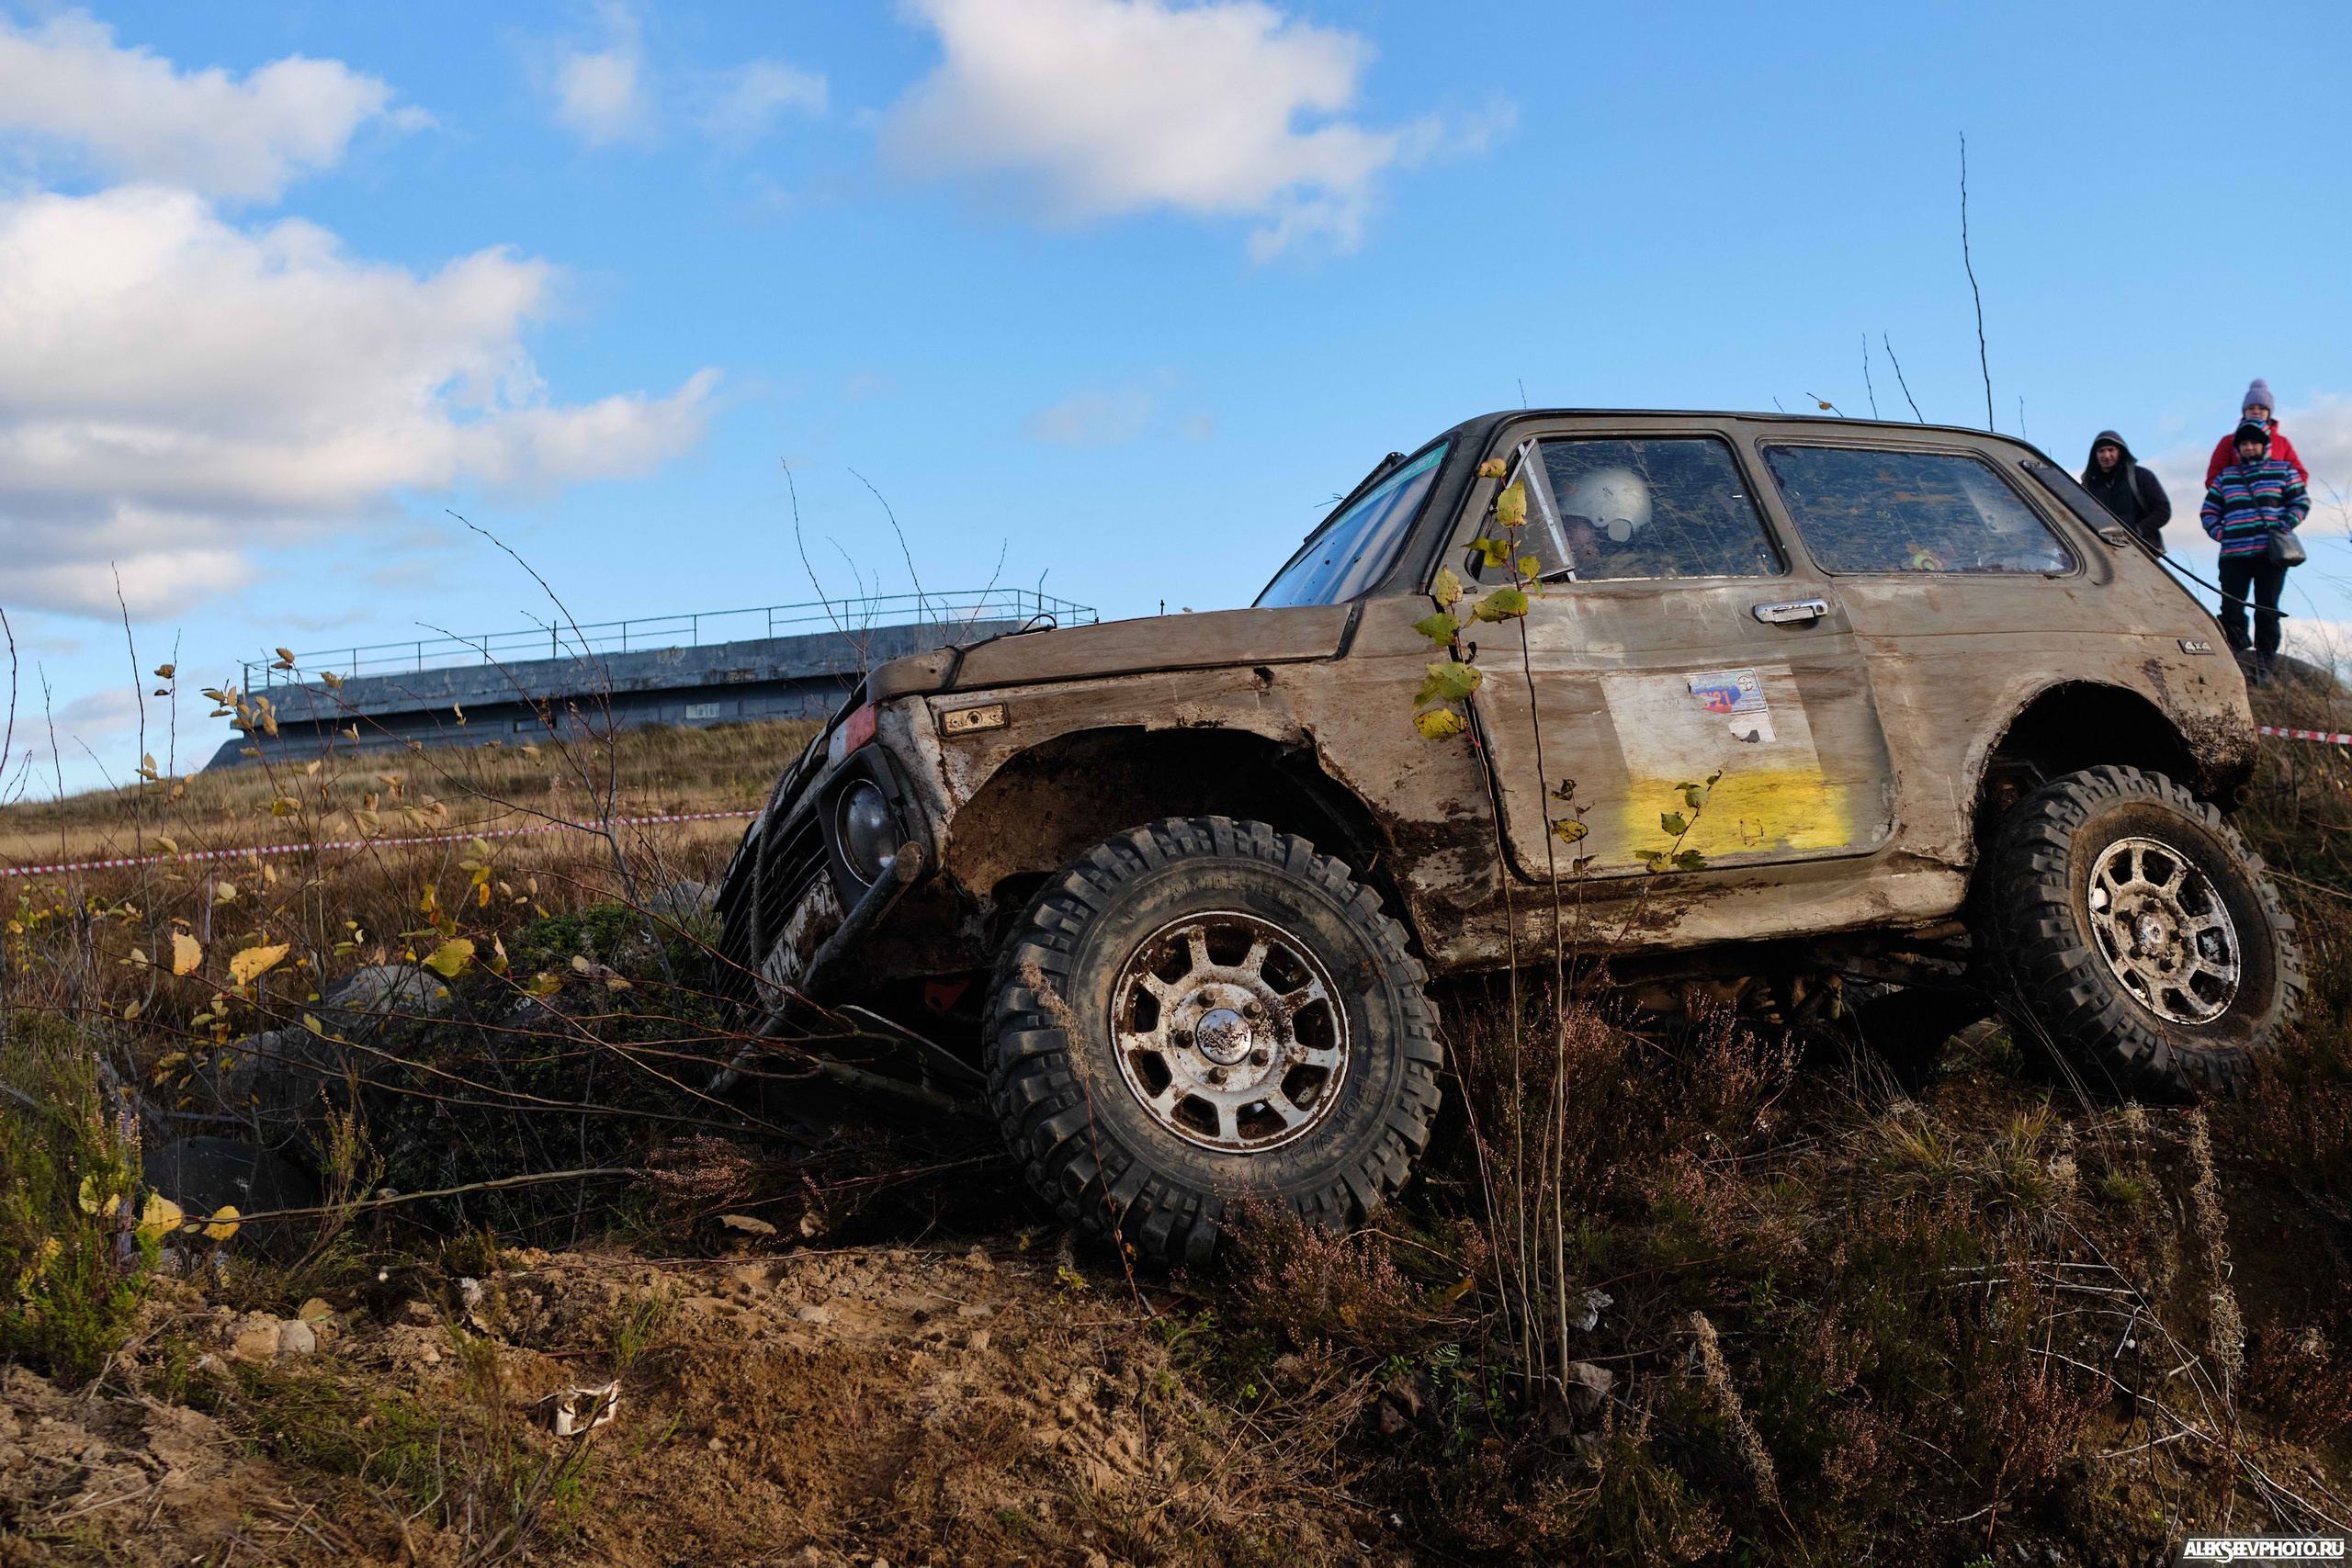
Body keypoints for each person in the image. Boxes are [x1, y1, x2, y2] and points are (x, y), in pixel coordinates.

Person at [2201, 420, 2310, 681]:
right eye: (2244, 444)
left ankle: (2264, 662)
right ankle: (2236, 654)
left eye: (2253, 443)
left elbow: (2301, 501)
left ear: (2264, 445)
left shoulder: (2283, 470)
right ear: (2238, 448)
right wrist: (2221, 533)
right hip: (2233, 554)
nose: (2249, 447)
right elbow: (2208, 510)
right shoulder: (2227, 477)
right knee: (2231, 607)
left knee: (2267, 607)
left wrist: (2284, 524)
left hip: (2269, 554)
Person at [2206, 378, 2309, 486]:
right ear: (2244, 411)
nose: (2256, 411)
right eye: (2251, 408)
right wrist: (2234, 491)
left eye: (2262, 408)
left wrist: (2282, 492)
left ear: (2269, 412)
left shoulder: (2282, 443)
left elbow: (2300, 475)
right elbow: (2213, 477)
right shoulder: (2228, 441)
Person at [2079, 430, 2171, 549]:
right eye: (2101, 451)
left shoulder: (2141, 476)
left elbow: (2162, 510)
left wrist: (2137, 531)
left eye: (2111, 450)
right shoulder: (2088, 487)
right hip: (2105, 550)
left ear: (2120, 451)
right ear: (2095, 455)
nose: (2106, 455)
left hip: (2144, 549)